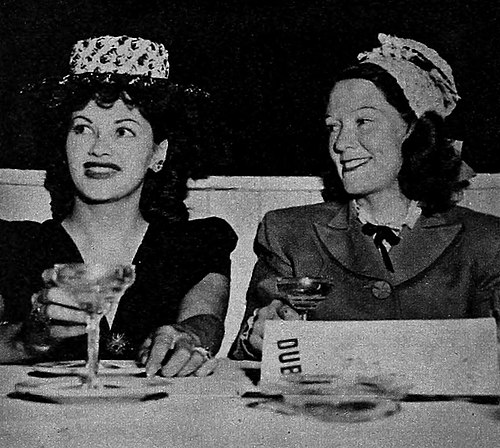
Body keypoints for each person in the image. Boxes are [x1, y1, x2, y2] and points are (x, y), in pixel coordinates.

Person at [229, 33, 500, 360]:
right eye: (333, 126)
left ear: (413, 130)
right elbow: (247, 356)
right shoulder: (287, 233)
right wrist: (258, 337)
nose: (341, 143)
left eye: (363, 121)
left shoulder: (486, 241)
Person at [0, 35, 237, 377]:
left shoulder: (198, 243)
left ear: (158, 153)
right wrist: (25, 341)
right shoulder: (14, 245)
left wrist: (187, 337)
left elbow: (205, 320)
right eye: (82, 129)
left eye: (124, 132)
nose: (99, 148)